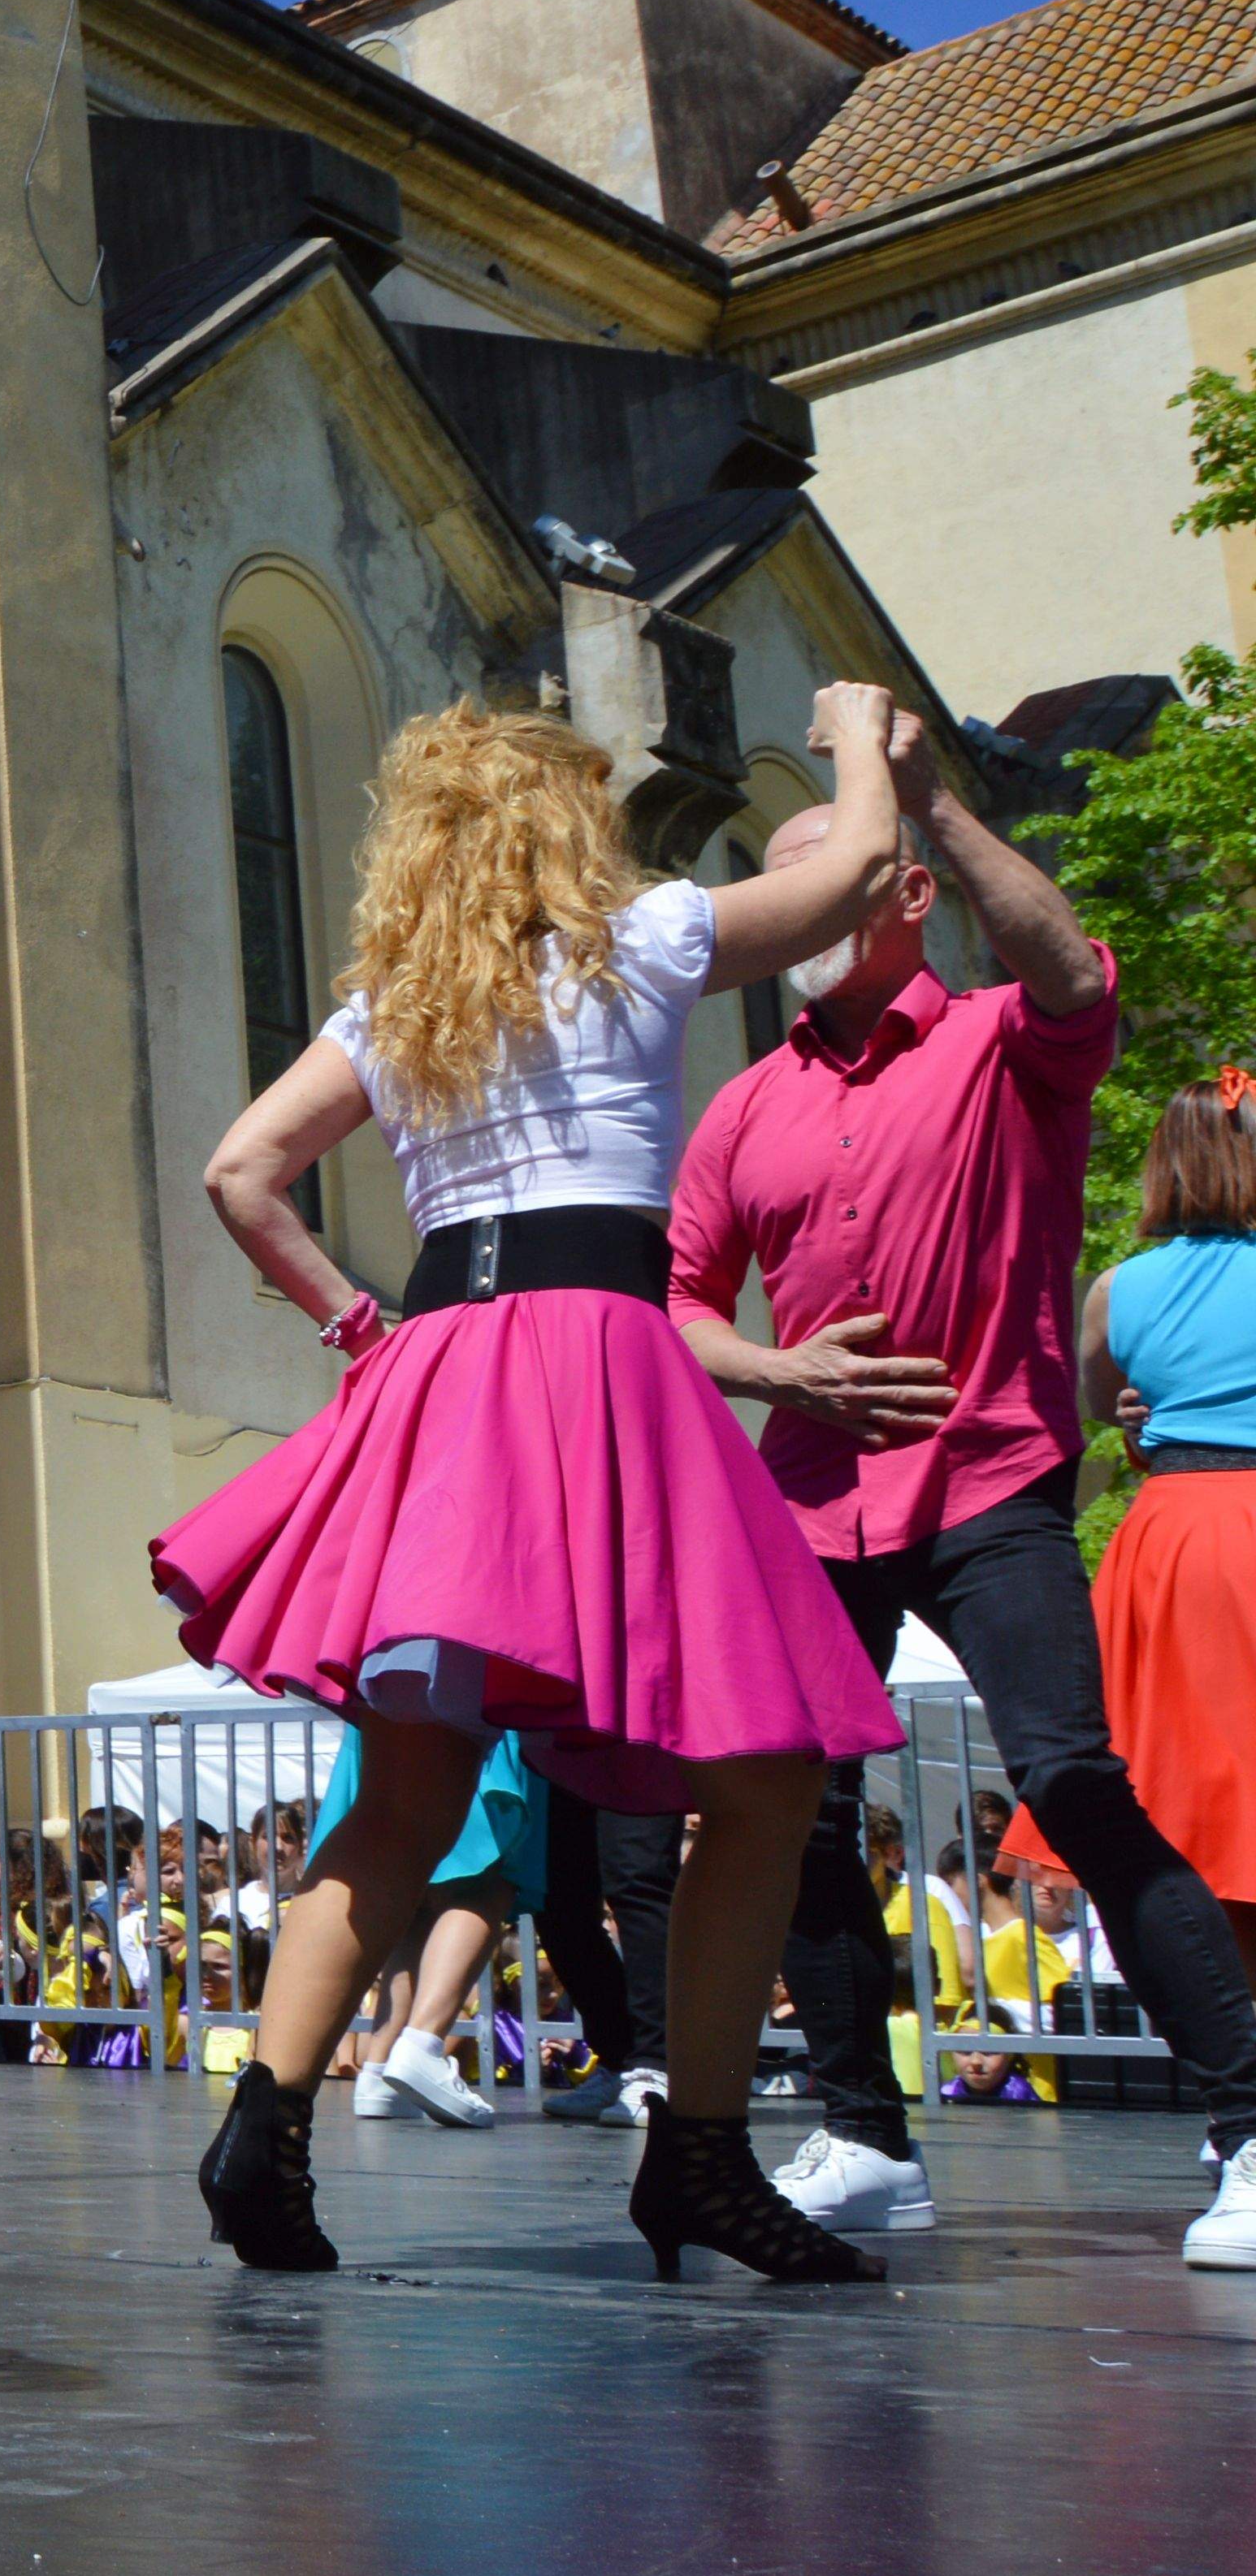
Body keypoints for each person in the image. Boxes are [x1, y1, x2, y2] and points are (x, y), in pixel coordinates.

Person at [163, 689, 912, 2283]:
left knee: (408, 1779)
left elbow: (239, 1170)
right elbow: (852, 879)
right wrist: (855, 734)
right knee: (766, 1771)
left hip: (442, 1373)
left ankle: (264, 2122)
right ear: (548, 824)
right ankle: (697, 2154)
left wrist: (351, 1321)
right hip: (593, 1361)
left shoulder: (395, 1003)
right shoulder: (635, 939)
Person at [669, 734, 1256, 2266]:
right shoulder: (743, 1110)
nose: (774, 901)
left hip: (989, 1477)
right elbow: (673, 1304)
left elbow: (1080, 976)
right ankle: (863, 2136)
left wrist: (918, 783)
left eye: (810, 869)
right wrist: (777, 1370)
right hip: (807, 1499)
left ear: (902, 890)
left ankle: (1251, 2129)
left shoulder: (1004, 1037)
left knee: (1070, 1776)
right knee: (780, 1812)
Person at [1077, 1074, 1256, 2218]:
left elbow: (1102, 1405)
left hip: (1178, 1544)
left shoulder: (1117, 1287)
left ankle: (1236, 2102)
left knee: (1195, 1825)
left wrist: (1149, 1409)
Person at [326, 1733, 540, 2126]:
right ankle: (422, 2045)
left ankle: (379, 2069)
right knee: (484, 1881)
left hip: (393, 1700)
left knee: (420, 1896)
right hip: (476, 1708)